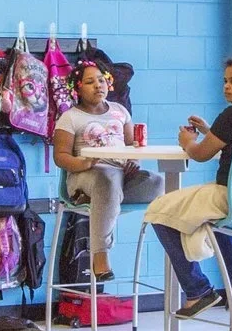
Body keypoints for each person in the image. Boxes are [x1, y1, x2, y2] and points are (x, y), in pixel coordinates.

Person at [145, 55, 232, 317]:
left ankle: (197, 290)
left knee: (158, 213)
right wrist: (210, 131)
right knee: (214, 215)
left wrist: (187, 141)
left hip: (230, 198)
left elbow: (200, 154)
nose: (226, 86)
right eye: (225, 81)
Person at [50, 60, 157, 282]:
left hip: (120, 175)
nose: (98, 85)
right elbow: (60, 157)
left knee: (157, 183)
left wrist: (132, 162)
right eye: (90, 82)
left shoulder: (120, 111)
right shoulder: (70, 117)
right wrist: (85, 163)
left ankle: (106, 199)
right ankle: (100, 254)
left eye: (101, 80)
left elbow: (132, 146)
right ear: (78, 88)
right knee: (106, 181)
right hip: (87, 174)